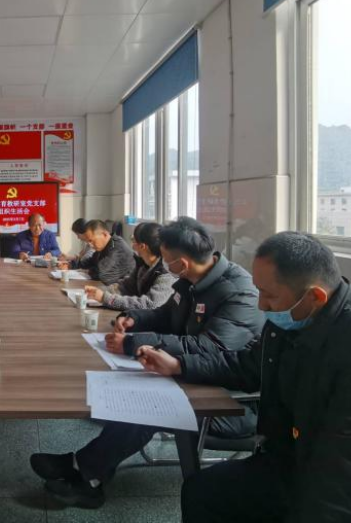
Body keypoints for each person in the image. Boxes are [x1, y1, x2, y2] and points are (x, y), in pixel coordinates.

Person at [138, 232, 351, 522]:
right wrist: (179, 365)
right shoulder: (292, 317)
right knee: (201, 490)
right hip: (288, 459)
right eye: (259, 291)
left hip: (342, 482)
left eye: (269, 295)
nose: (261, 306)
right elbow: (247, 365)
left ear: (315, 296)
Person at [30, 216, 264, 508]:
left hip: (233, 402)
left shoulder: (239, 293)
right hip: (196, 375)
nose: (163, 265)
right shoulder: (190, 281)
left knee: (150, 404)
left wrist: (135, 343)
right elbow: (165, 315)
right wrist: (133, 320)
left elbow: (210, 348)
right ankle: (86, 467)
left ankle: (86, 476)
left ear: (182, 263)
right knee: (135, 390)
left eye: (166, 260)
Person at [85, 222, 175, 311]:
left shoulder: (166, 273)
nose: (132, 246)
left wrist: (106, 298)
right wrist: (99, 292)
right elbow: (126, 287)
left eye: (133, 240)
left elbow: (150, 304)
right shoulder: (143, 264)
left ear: (142, 246)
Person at [59, 219, 136, 285]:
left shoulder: (115, 245)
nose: (90, 245)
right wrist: (70, 265)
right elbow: (90, 261)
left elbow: (101, 273)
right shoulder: (105, 245)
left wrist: (88, 271)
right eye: (88, 241)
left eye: (91, 241)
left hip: (127, 291)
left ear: (104, 234)